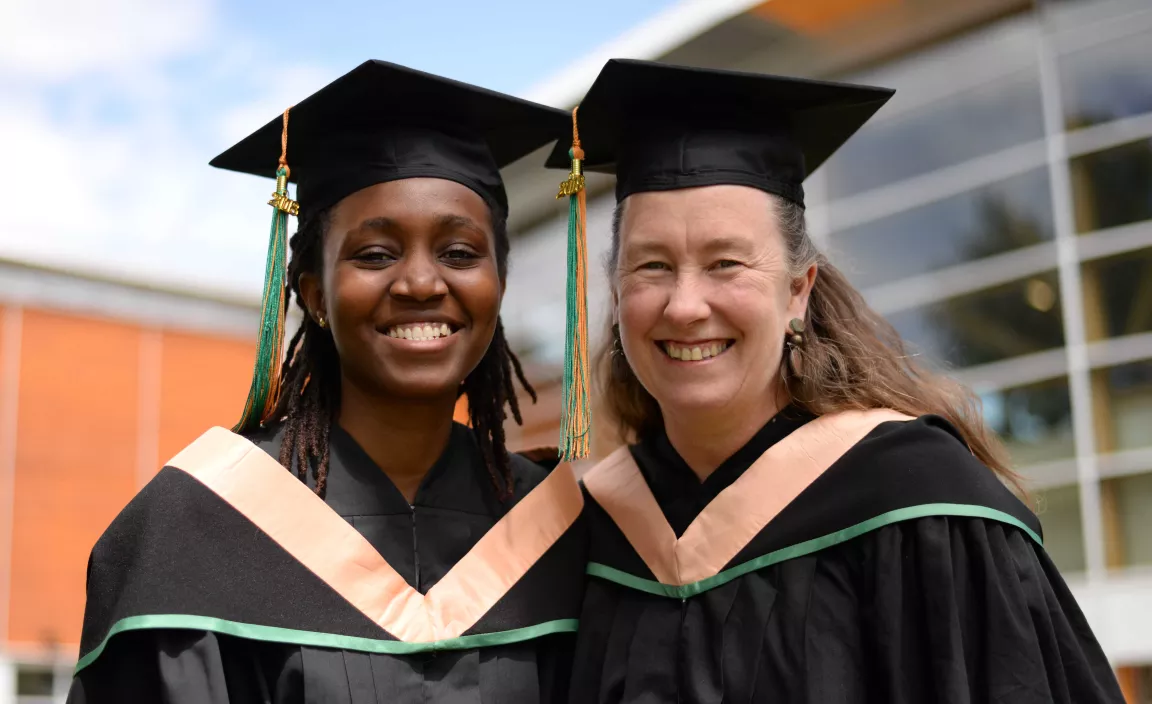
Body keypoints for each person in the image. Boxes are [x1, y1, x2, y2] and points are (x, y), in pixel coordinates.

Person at [547, 59, 1125, 703]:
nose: (684, 305)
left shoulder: (918, 503)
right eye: (652, 266)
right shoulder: (589, 534)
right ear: (616, 291)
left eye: (725, 263)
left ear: (798, 291)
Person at [68, 60, 586, 703]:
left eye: (459, 253)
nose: (422, 283)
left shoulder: (563, 533)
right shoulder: (193, 530)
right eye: (375, 254)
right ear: (313, 293)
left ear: (497, 287)